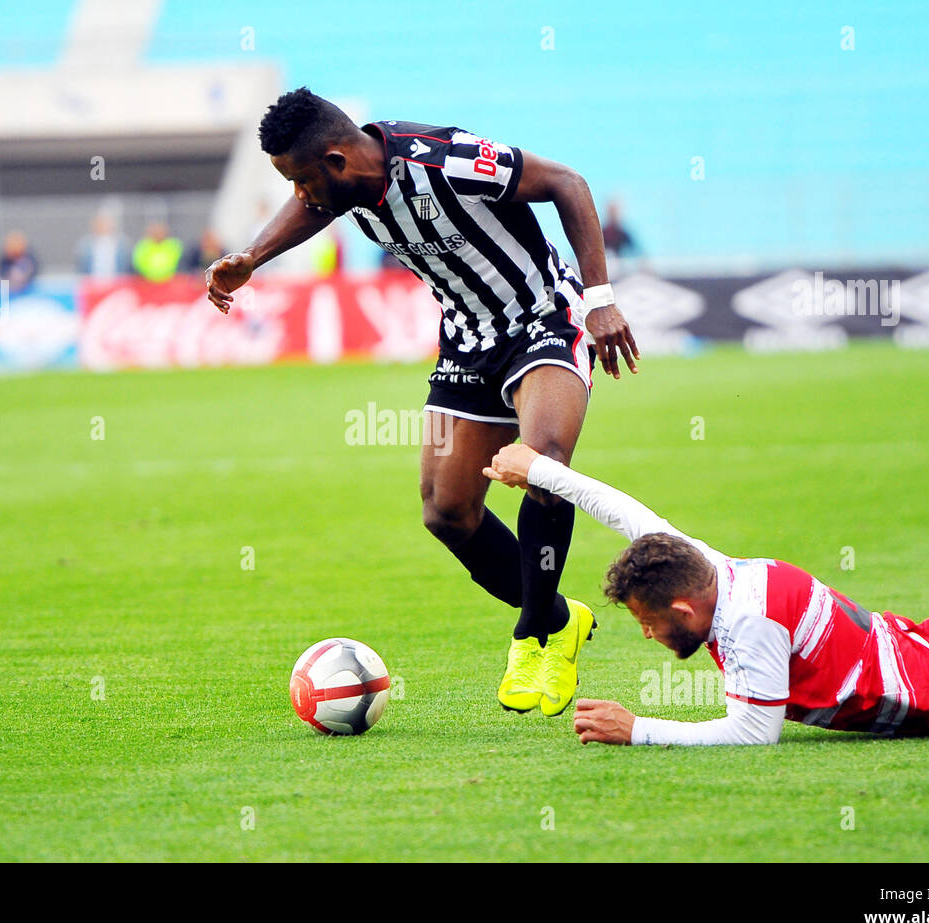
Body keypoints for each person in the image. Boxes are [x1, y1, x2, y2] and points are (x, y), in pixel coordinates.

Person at [204, 87, 639, 717]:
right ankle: (556, 616)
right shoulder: (344, 184)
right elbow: (316, 210)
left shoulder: (447, 160)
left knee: (542, 462)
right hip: (467, 340)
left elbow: (567, 183)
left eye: (301, 181)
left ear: (335, 161)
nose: (299, 197)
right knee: (447, 512)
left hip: (545, 318)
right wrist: (253, 257)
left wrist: (600, 300)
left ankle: (531, 637)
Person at [482, 442, 929, 744]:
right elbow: (628, 513)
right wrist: (539, 470)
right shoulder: (706, 568)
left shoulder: (749, 620)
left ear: (683, 608)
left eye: (648, 621)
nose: (647, 634)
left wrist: (638, 731)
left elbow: (754, 731)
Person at [0, 230, 38, 295]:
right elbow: (0, 272)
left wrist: (25, 276)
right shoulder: (4, 260)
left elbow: (35, 270)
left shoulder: (29, 259)